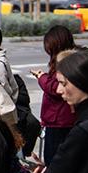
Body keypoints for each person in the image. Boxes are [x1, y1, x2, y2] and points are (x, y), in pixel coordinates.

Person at [31, 26, 77, 165]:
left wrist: (41, 77)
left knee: (55, 164)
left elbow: (56, 88)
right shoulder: (67, 60)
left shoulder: (66, 62)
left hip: (61, 122)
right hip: (57, 120)